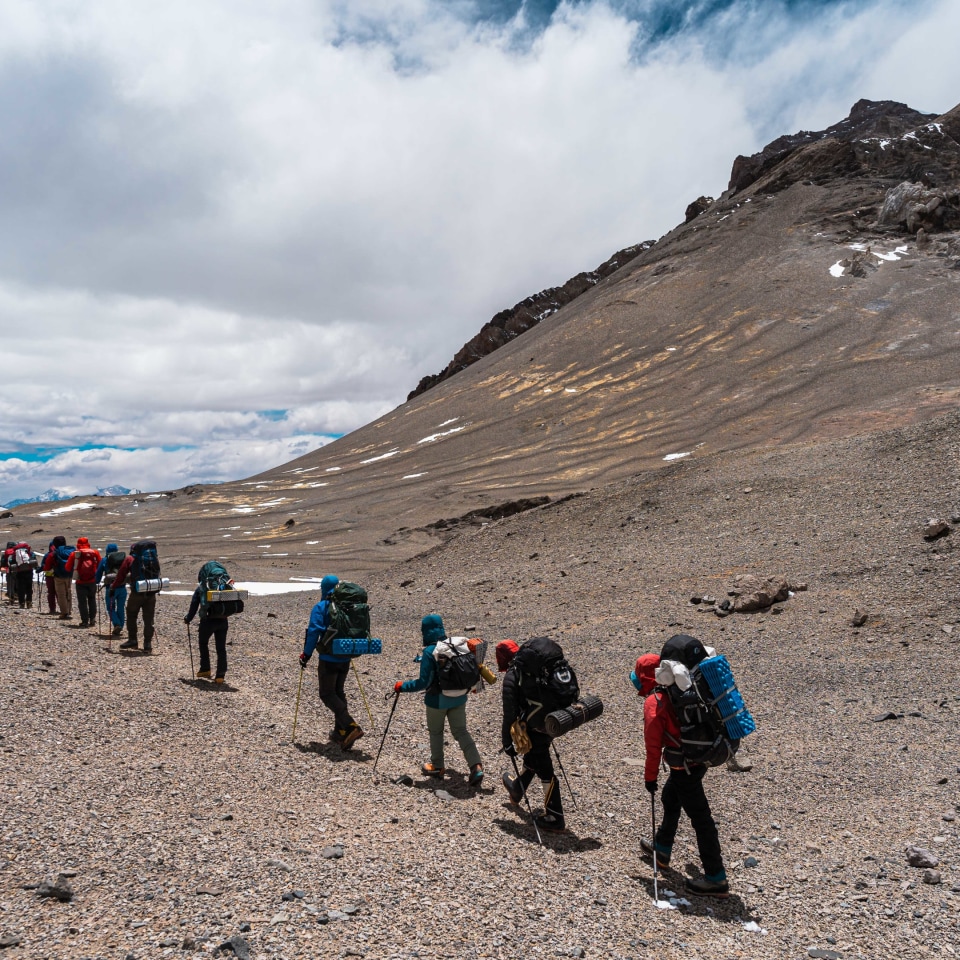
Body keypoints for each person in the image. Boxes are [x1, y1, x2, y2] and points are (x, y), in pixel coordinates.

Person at [634, 651, 730, 898]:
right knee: (670, 797)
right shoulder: (682, 689)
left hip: (683, 766)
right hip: (699, 758)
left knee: (701, 819)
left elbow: (653, 747)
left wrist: (649, 778)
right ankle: (662, 848)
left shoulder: (655, 703)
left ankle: (716, 877)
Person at [392, 614, 484, 785]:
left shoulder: (429, 652)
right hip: (460, 697)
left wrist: (402, 686)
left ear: (425, 631)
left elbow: (423, 682)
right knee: (461, 731)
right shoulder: (455, 645)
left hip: (437, 701)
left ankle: (437, 766)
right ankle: (476, 766)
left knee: (436, 732)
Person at [497, 638, 566, 833]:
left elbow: (509, 714)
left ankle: (555, 816)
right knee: (535, 755)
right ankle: (517, 789)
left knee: (545, 768)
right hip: (553, 720)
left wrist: (507, 742)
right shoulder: (537, 669)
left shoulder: (514, 675)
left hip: (535, 725)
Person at [299, 575, 364, 749]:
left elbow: (314, 632)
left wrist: (306, 654)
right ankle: (340, 732)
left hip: (328, 658)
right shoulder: (348, 607)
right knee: (338, 691)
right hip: (346, 655)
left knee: (327, 694)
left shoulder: (322, 607)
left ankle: (350, 726)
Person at [183, 563, 231, 683]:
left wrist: (188, 619)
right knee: (221, 648)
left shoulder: (202, 588)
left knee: (203, 643)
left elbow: (194, 606)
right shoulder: (225, 586)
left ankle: (205, 669)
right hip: (223, 619)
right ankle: (220, 675)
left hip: (208, 621)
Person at [112, 546, 157, 652]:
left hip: (137, 593)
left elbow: (121, 575)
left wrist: (114, 586)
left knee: (131, 615)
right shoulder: (152, 557)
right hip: (151, 592)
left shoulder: (130, 559)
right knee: (148, 619)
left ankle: (133, 640)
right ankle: (147, 644)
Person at [65, 536, 102, 628]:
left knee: (82, 602)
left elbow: (67, 567)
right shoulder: (95, 552)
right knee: (92, 599)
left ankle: (84, 621)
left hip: (80, 581)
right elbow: (101, 565)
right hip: (92, 580)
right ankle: (92, 619)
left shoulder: (75, 554)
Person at [96, 544, 126, 636]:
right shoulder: (122, 559)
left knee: (110, 608)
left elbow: (98, 574)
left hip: (111, 588)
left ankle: (117, 624)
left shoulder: (105, 560)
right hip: (122, 587)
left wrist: (96, 582)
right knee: (121, 607)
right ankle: (120, 625)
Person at [45, 536, 75, 620]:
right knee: (68, 592)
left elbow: (47, 566)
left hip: (58, 576)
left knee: (61, 594)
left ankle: (64, 612)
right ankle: (69, 610)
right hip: (69, 575)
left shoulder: (54, 553)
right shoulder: (71, 551)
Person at [11, 542, 37, 609]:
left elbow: (11, 561)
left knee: (20, 588)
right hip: (29, 572)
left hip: (19, 572)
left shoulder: (15, 553)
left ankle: (21, 603)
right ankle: (29, 603)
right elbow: (34, 559)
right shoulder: (28, 552)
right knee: (29, 587)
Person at [40, 541, 58, 615]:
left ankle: (52, 609)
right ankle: (64, 609)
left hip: (49, 576)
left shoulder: (47, 555)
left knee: (51, 593)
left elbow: (43, 566)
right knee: (60, 593)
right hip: (59, 575)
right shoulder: (60, 554)